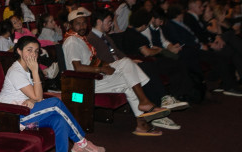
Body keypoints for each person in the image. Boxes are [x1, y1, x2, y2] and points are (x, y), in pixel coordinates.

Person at [0, 37, 106, 152]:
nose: (33, 54)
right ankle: (81, 142)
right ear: (19, 51)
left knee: (59, 120)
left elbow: (36, 97)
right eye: (29, 50)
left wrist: (34, 99)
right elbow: (39, 96)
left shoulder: (26, 69)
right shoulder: (15, 71)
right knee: (55, 103)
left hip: (28, 122)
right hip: (13, 119)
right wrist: (36, 77)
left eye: (36, 51)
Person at [62, 8, 170, 136]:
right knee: (126, 64)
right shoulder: (72, 41)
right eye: (78, 23)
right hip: (82, 84)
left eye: (84, 23)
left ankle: (141, 122)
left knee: (129, 78)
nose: (82, 26)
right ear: (70, 25)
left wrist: (106, 66)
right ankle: (144, 103)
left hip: (92, 77)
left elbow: (92, 61)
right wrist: (101, 69)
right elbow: (77, 68)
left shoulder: (81, 39)